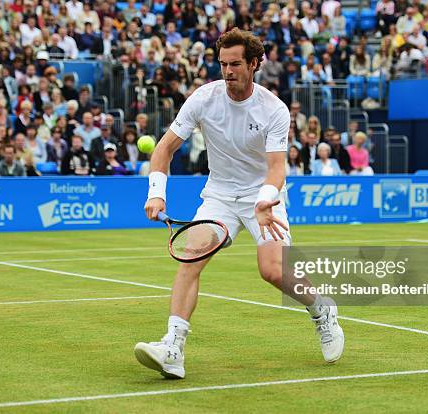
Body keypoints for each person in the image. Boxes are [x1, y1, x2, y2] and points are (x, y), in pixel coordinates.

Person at [135, 29, 344, 380]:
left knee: (273, 271)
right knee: (191, 257)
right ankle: (172, 348)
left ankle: (323, 311)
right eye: (222, 64)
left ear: (254, 64)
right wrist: (156, 191)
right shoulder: (203, 98)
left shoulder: (274, 109)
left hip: (263, 194)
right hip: (218, 195)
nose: (228, 71)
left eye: (235, 64)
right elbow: (164, 149)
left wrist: (264, 201)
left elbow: (277, 168)